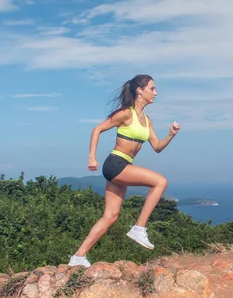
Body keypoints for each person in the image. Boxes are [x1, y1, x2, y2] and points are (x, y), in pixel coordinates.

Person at [68, 75, 180, 268]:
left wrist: (171, 134)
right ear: (140, 90)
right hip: (116, 164)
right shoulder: (126, 114)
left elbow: (157, 147)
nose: (156, 92)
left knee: (110, 216)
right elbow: (97, 129)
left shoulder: (147, 121)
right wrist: (91, 157)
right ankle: (139, 228)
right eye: (152, 88)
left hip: (122, 166)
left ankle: (78, 257)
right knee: (160, 182)